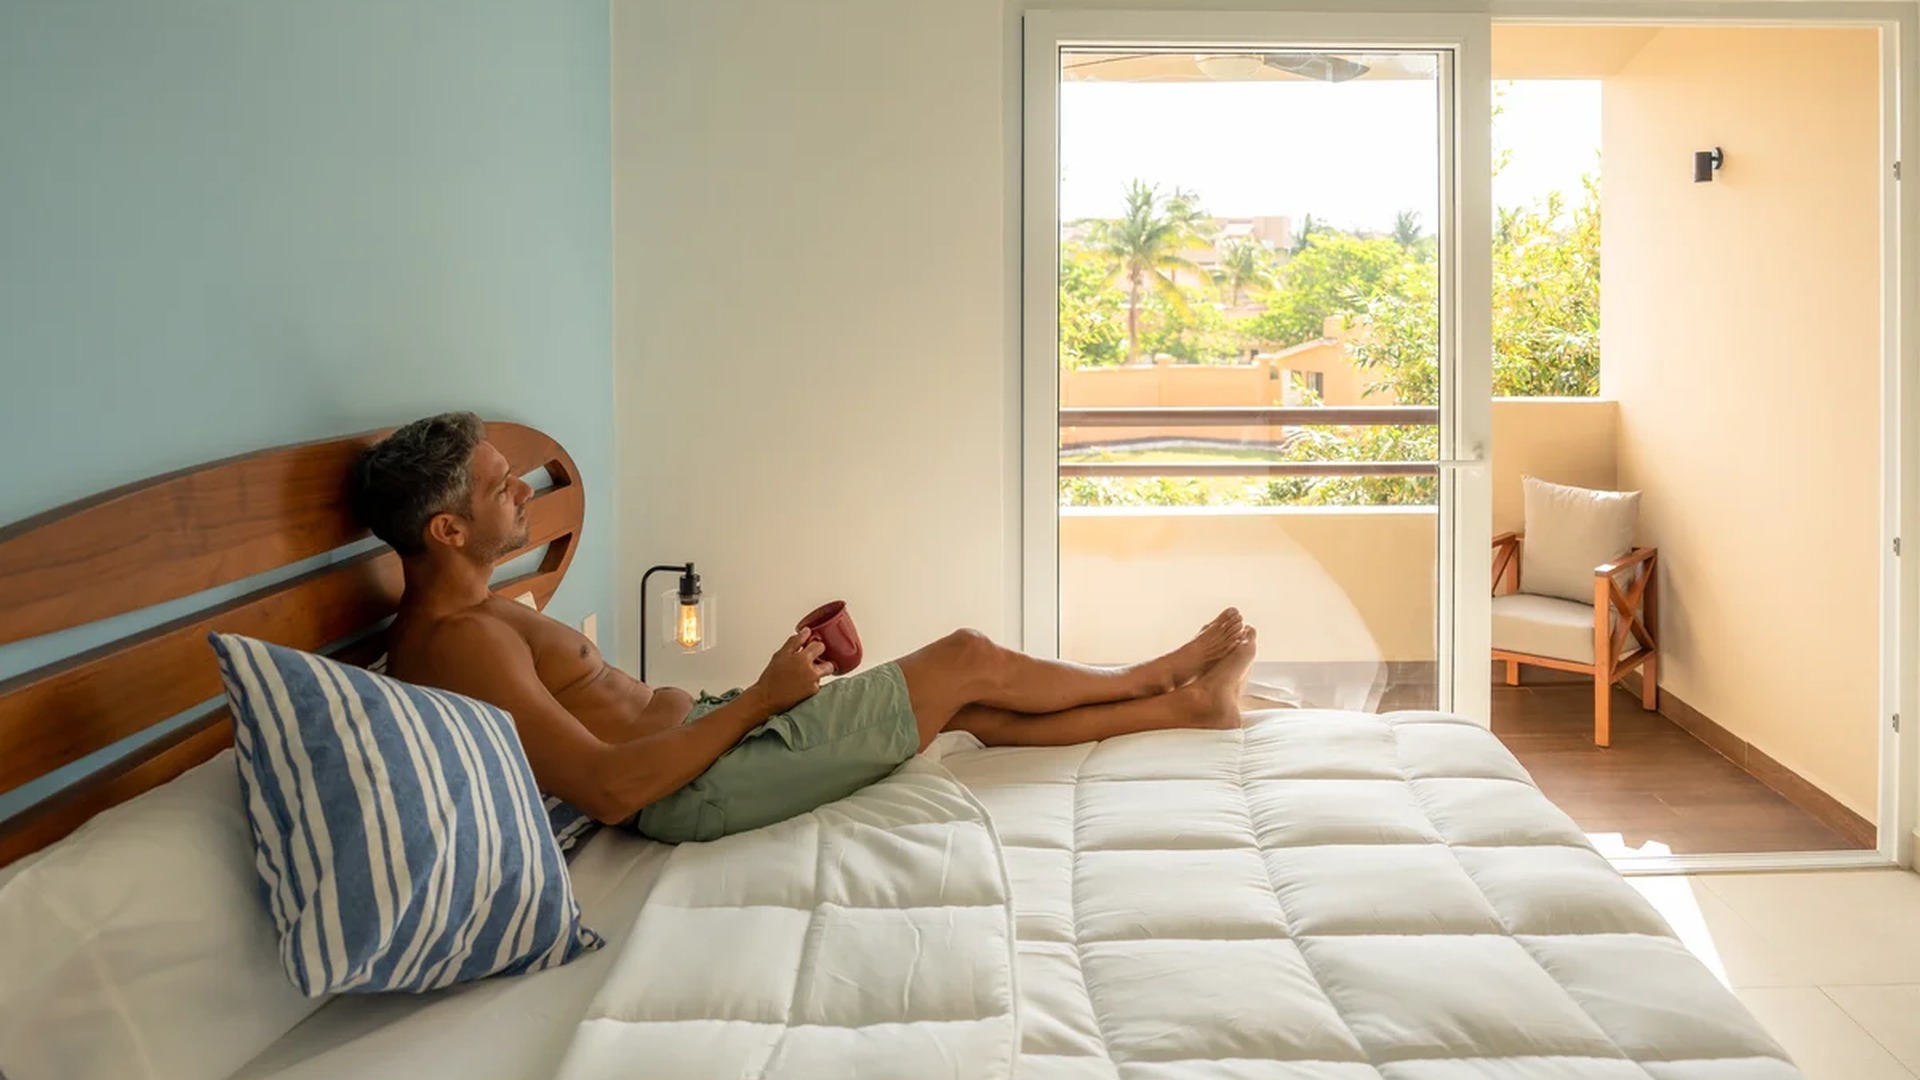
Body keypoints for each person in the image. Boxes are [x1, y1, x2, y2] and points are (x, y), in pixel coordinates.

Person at [350, 413, 1257, 843]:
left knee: (970, 707)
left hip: (709, 742)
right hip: (698, 787)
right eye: (499, 484)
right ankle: (1155, 675)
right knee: (967, 659)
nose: (520, 495)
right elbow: (607, 789)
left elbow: (599, 727)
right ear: (447, 531)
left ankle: (1189, 710)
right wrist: (761, 704)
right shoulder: (461, 641)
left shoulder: (476, 616)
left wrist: (751, 698)